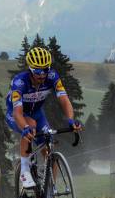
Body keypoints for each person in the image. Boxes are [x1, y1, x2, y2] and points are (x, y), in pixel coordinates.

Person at [5, 47, 82, 189]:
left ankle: (50, 194)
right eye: (38, 71)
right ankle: (24, 171)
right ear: (30, 69)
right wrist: (26, 128)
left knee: (49, 148)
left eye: (45, 70)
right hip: (16, 114)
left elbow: (64, 99)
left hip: (37, 113)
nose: (42, 75)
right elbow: (17, 112)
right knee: (31, 126)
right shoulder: (19, 82)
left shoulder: (52, 77)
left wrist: (71, 119)